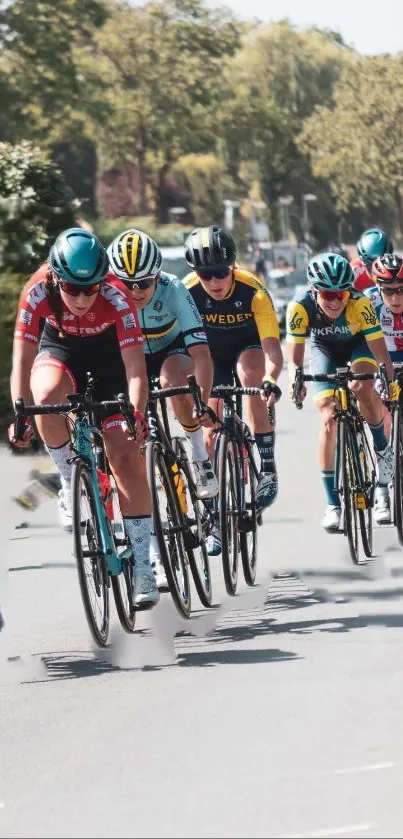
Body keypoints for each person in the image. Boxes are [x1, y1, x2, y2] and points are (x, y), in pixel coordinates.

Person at [8, 227, 159, 608]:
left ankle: (142, 564)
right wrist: (20, 411)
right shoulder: (38, 290)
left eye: (89, 289)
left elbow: (137, 370)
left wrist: (136, 414)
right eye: (71, 289)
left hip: (111, 362)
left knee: (125, 456)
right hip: (61, 349)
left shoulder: (116, 295)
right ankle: (66, 476)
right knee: (43, 397)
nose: (80, 298)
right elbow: (22, 361)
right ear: (56, 278)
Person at [183, 225, 283, 555]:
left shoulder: (252, 289)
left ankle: (266, 468)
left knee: (250, 376)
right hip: (210, 356)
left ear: (233, 266)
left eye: (221, 272)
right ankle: (214, 517)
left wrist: (271, 379)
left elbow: (271, 347)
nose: (213, 281)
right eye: (205, 273)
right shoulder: (187, 292)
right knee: (209, 424)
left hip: (248, 348)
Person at [287, 251, 394, 532]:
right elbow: (295, 359)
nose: (335, 301)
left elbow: (381, 354)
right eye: (328, 295)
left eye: (341, 295)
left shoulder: (360, 305)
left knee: (362, 386)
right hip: (323, 350)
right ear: (314, 291)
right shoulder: (299, 306)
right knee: (327, 416)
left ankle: (382, 451)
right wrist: (295, 383)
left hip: (358, 346)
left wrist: (387, 380)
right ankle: (333, 504)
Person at [364, 252, 403, 523]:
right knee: (383, 419)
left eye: (402, 290)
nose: (396, 298)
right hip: (382, 362)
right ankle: (381, 490)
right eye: (389, 291)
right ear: (378, 288)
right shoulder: (368, 303)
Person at [351, 228, 393, 292]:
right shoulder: (353, 272)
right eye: (370, 267)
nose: (376, 273)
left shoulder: (398, 267)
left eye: (381, 267)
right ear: (362, 262)